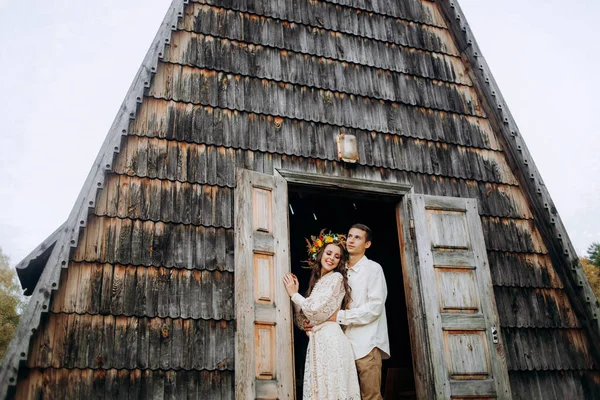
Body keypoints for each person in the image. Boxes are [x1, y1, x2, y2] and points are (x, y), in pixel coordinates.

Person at [283, 231, 360, 400]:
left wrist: (294, 295)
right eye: (328, 253)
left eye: (337, 256)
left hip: (331, 340)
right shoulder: (318, 283)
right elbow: (305, 317)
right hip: (319, 340)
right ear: (320, 254)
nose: (332, 258)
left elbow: (316, 310)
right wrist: (296, 296)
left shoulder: (337, 278)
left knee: (333, 390)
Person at [328, 224, 390, 400]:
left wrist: (339, 317)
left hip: (367, 344)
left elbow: (374, 308)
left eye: (357, 237)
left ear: (367, 244)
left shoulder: (373, 269)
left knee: (370, 396)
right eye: (349, 236)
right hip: (341, 344)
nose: (351, 240)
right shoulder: (339, 270)